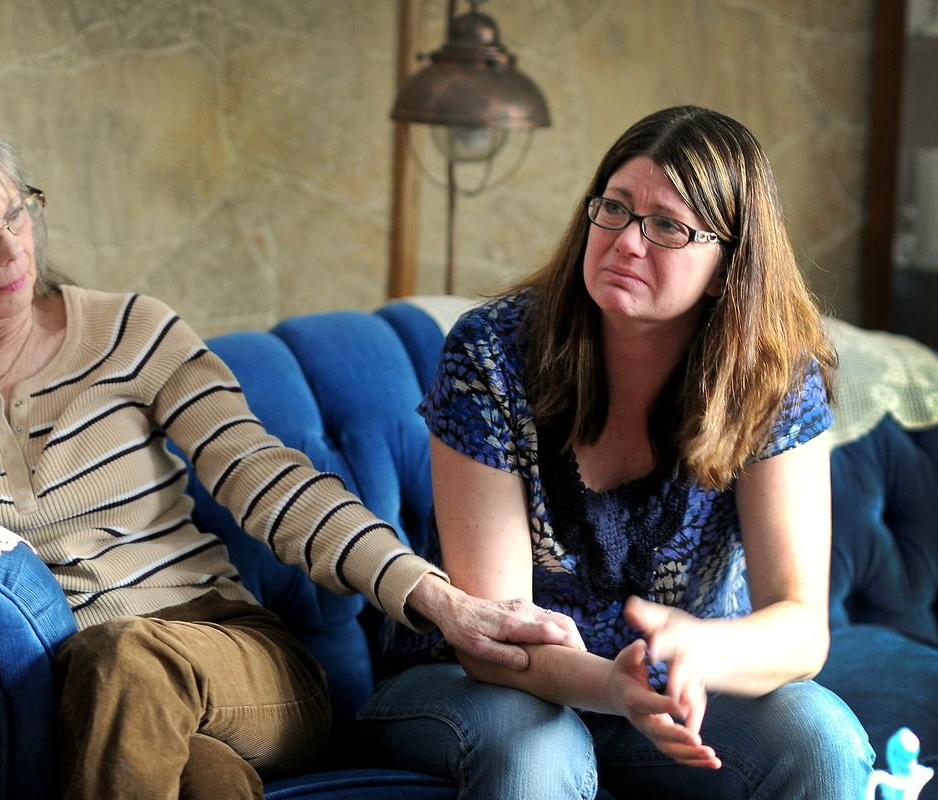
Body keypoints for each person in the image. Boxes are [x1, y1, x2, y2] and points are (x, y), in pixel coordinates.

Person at [0, 106, 583, 800]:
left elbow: (270, 483)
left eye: (16, 215)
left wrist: (437, 599)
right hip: (96, 695)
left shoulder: (131, 332)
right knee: (205, 782)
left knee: (128, 653)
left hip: (236, 658)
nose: (12, 252)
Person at [358, 105, 875, 799]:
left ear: (727, 268)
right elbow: (493, 637)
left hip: (668, 684)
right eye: (615, 209)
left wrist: (702, 649)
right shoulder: (491, 353)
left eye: (667, 226)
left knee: (821, 739)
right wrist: (614, 685)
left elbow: (799, 629)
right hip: (470, 680)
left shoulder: (772, 381)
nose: (628, 241)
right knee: (541, 753)